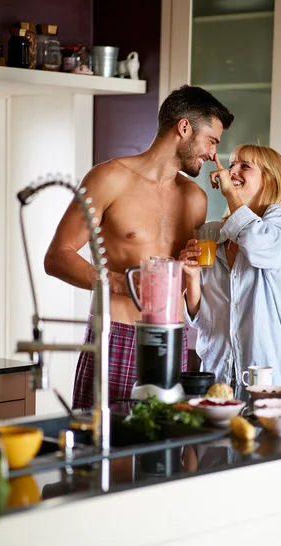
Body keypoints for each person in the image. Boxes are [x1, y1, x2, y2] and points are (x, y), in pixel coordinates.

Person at [44, 85, 234, 409]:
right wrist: (120, 283)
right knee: (103, 448)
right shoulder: (108, 179)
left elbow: (191, 289)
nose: (213, 154)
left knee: (165, 449)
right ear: (184, 128)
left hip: (172, 338)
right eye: (212, 141)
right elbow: (57, 256)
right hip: (117, 335)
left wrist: (191, 276)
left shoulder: (196, 199)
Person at [179, 144, 281, 387]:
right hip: (216, 376)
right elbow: (200, 319)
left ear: (271, 181)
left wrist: (229, 193)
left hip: (269, 379)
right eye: (232, 164)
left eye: (245, 166)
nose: (232, 171)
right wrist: (191, 276)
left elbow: (255, 243)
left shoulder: (279, 221)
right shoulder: (211, 233)